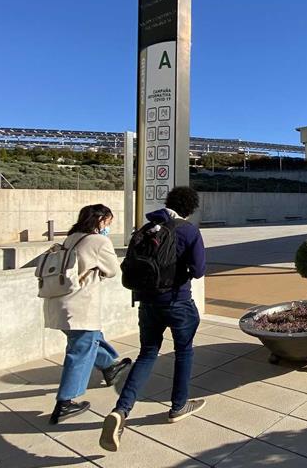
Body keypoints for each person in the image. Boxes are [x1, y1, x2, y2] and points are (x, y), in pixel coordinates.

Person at [100, 186, 206, 452]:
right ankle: (179, 406)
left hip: (147, 302)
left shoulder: (148, 227)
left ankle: (121, 410)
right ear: (190, 208)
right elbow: (199, 270)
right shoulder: (188, 230)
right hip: (177, 301)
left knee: (147, 354)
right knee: (184, 352)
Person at [44, 204, 132, 425]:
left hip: (59, 304)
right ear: (100, 220)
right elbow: (112, 270)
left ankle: (110, 366)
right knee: (80, 350)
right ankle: (65, 403)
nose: (108, 227)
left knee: (90, 339)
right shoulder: (98, 241)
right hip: (79, 306)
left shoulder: (71, 238)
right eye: (108, 222)